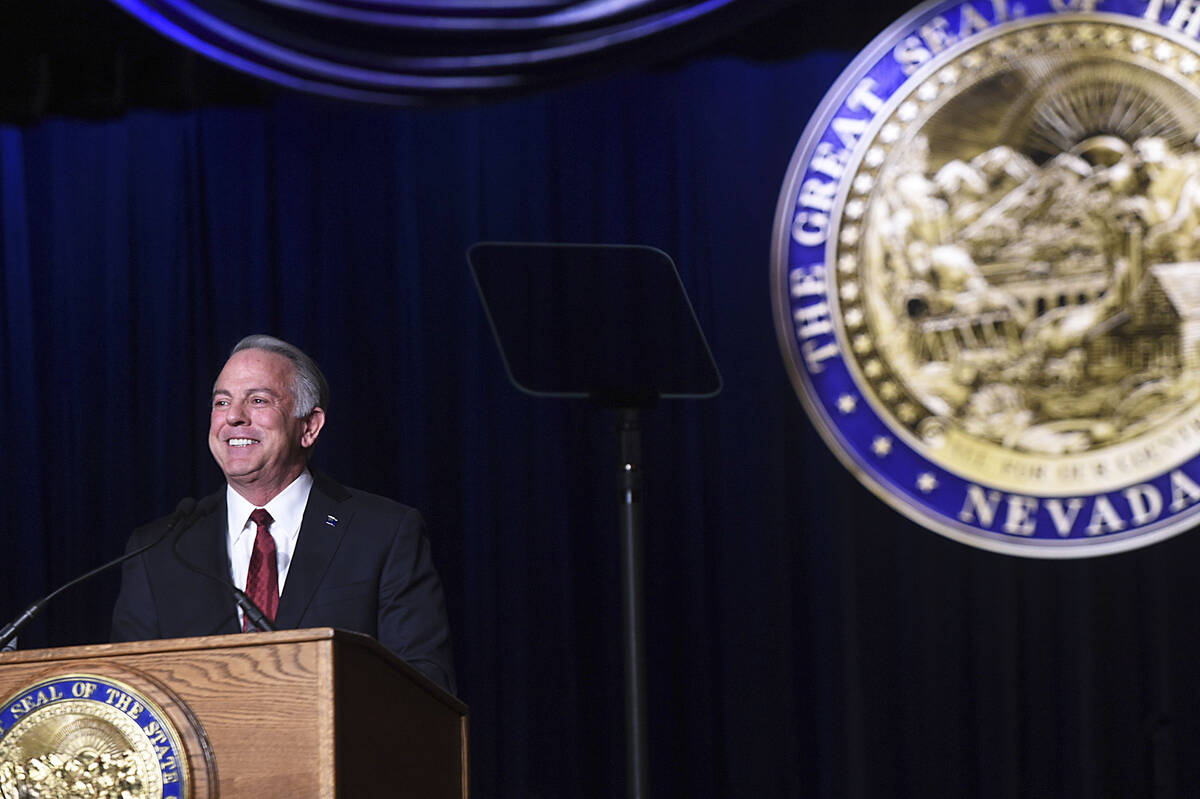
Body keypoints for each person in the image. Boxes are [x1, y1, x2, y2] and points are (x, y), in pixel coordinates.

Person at [111, 335, 455, 694]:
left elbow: (426, 682)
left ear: (309, 427)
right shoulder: (159, 549)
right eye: (222, 402)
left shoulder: (383, 532)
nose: (233, 417)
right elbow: (128, 693)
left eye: (258, 401)